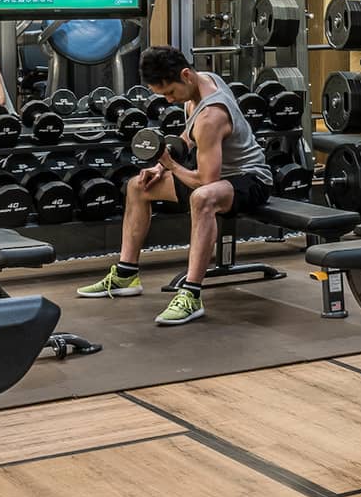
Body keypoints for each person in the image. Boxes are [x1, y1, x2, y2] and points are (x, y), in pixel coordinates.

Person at [77, 46, 271, 326]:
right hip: (219, 176)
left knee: (202, 198)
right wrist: (158, 166)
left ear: (185, 75)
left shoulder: (211, 115)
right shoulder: (201, 81)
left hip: (251, 179)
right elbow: (187, 137)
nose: (168, 101)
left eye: (170, 93)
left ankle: (191, 294)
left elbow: (206, 181)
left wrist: (169, 164)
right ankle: (125, 274)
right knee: (137, 186)